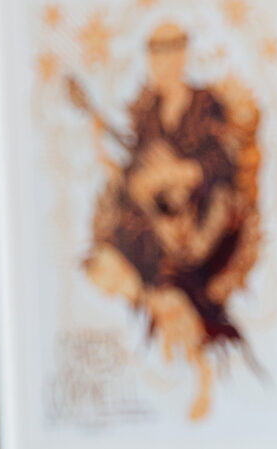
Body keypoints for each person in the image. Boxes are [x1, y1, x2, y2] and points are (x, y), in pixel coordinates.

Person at [68, 20, 263, 423]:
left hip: (203, 221)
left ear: (183, 56)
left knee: (182, 283)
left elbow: (223, 163)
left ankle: (201, 373)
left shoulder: (205, 106)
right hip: (156, 225)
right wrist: (124, 168)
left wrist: (183, 173)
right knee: (117, 257)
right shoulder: (146, 113)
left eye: (171, 55)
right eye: (156, 57)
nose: (163, 65)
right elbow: (138, 168)